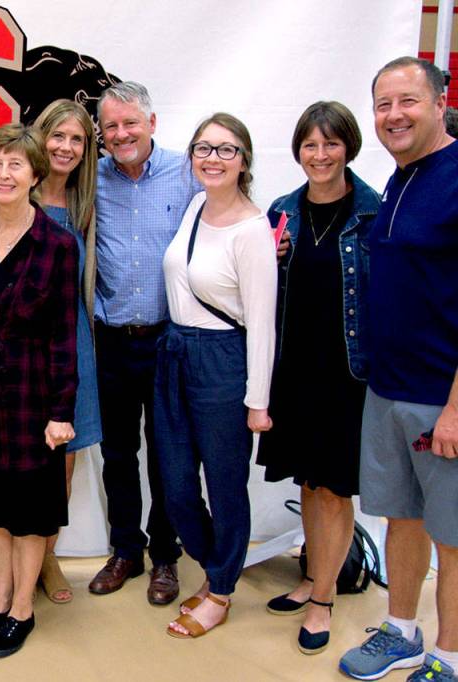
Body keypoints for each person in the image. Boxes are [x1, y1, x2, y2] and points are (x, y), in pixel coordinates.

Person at [338, 57, 458, 682]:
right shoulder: (398, 180)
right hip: (387, 389)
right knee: (401, 518)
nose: (393, 116)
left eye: (407, 101)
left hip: (442, 396)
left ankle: (449, 655)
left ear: (441, 102)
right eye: (383, 104)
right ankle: (403, 632)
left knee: (453, 536)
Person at [256, 101, 380, 656]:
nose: (320, 154)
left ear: (348, 147)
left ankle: (324, 597)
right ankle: (314, 576)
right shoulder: (283, 210)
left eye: (331, 144)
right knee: (307, 481)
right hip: (296, 368)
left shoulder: (373, 211)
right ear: (298, 151)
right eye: (310, 145)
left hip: (346, 373)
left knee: (333, 487)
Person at [0, 123, 78, 658]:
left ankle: (23, 608)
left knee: (29, 509)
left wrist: (60, 411)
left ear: (34, 174)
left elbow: (64, 335)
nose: (5, 173)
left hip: (33, 386)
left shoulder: (58, 244)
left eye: (16, 164)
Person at [156, 112, 276, 639]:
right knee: (176, 484)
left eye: (226, 150)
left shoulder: (253, 230)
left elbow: (262, 324)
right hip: (174, 351)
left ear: (243, 160)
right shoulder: (196, 205)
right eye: (204, 148)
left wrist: (258, 400)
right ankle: (213, 565)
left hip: (224, 359)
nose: (212, 158)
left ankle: (222, 589)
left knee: (226, 485)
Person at [89, 82, 199, 605]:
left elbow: (233, 215)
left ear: (152, 123)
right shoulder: (92, 178)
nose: (121, 134)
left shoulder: (188, 171)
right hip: (109, 340)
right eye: (111, 126)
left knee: (167, 455)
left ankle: (166, 557)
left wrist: (272, 237)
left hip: (167, 341)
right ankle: (125, 551)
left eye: (130, 123)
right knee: (117, 454)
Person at [29, 99, 102, 602]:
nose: (66, 147)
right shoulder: (11, 192)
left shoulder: (87, 204)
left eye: (77, 139)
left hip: (72, 343)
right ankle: (21, 557)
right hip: (21, 347)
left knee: (65, 461)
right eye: (58, 136)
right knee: (23, 457)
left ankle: (48, 556)